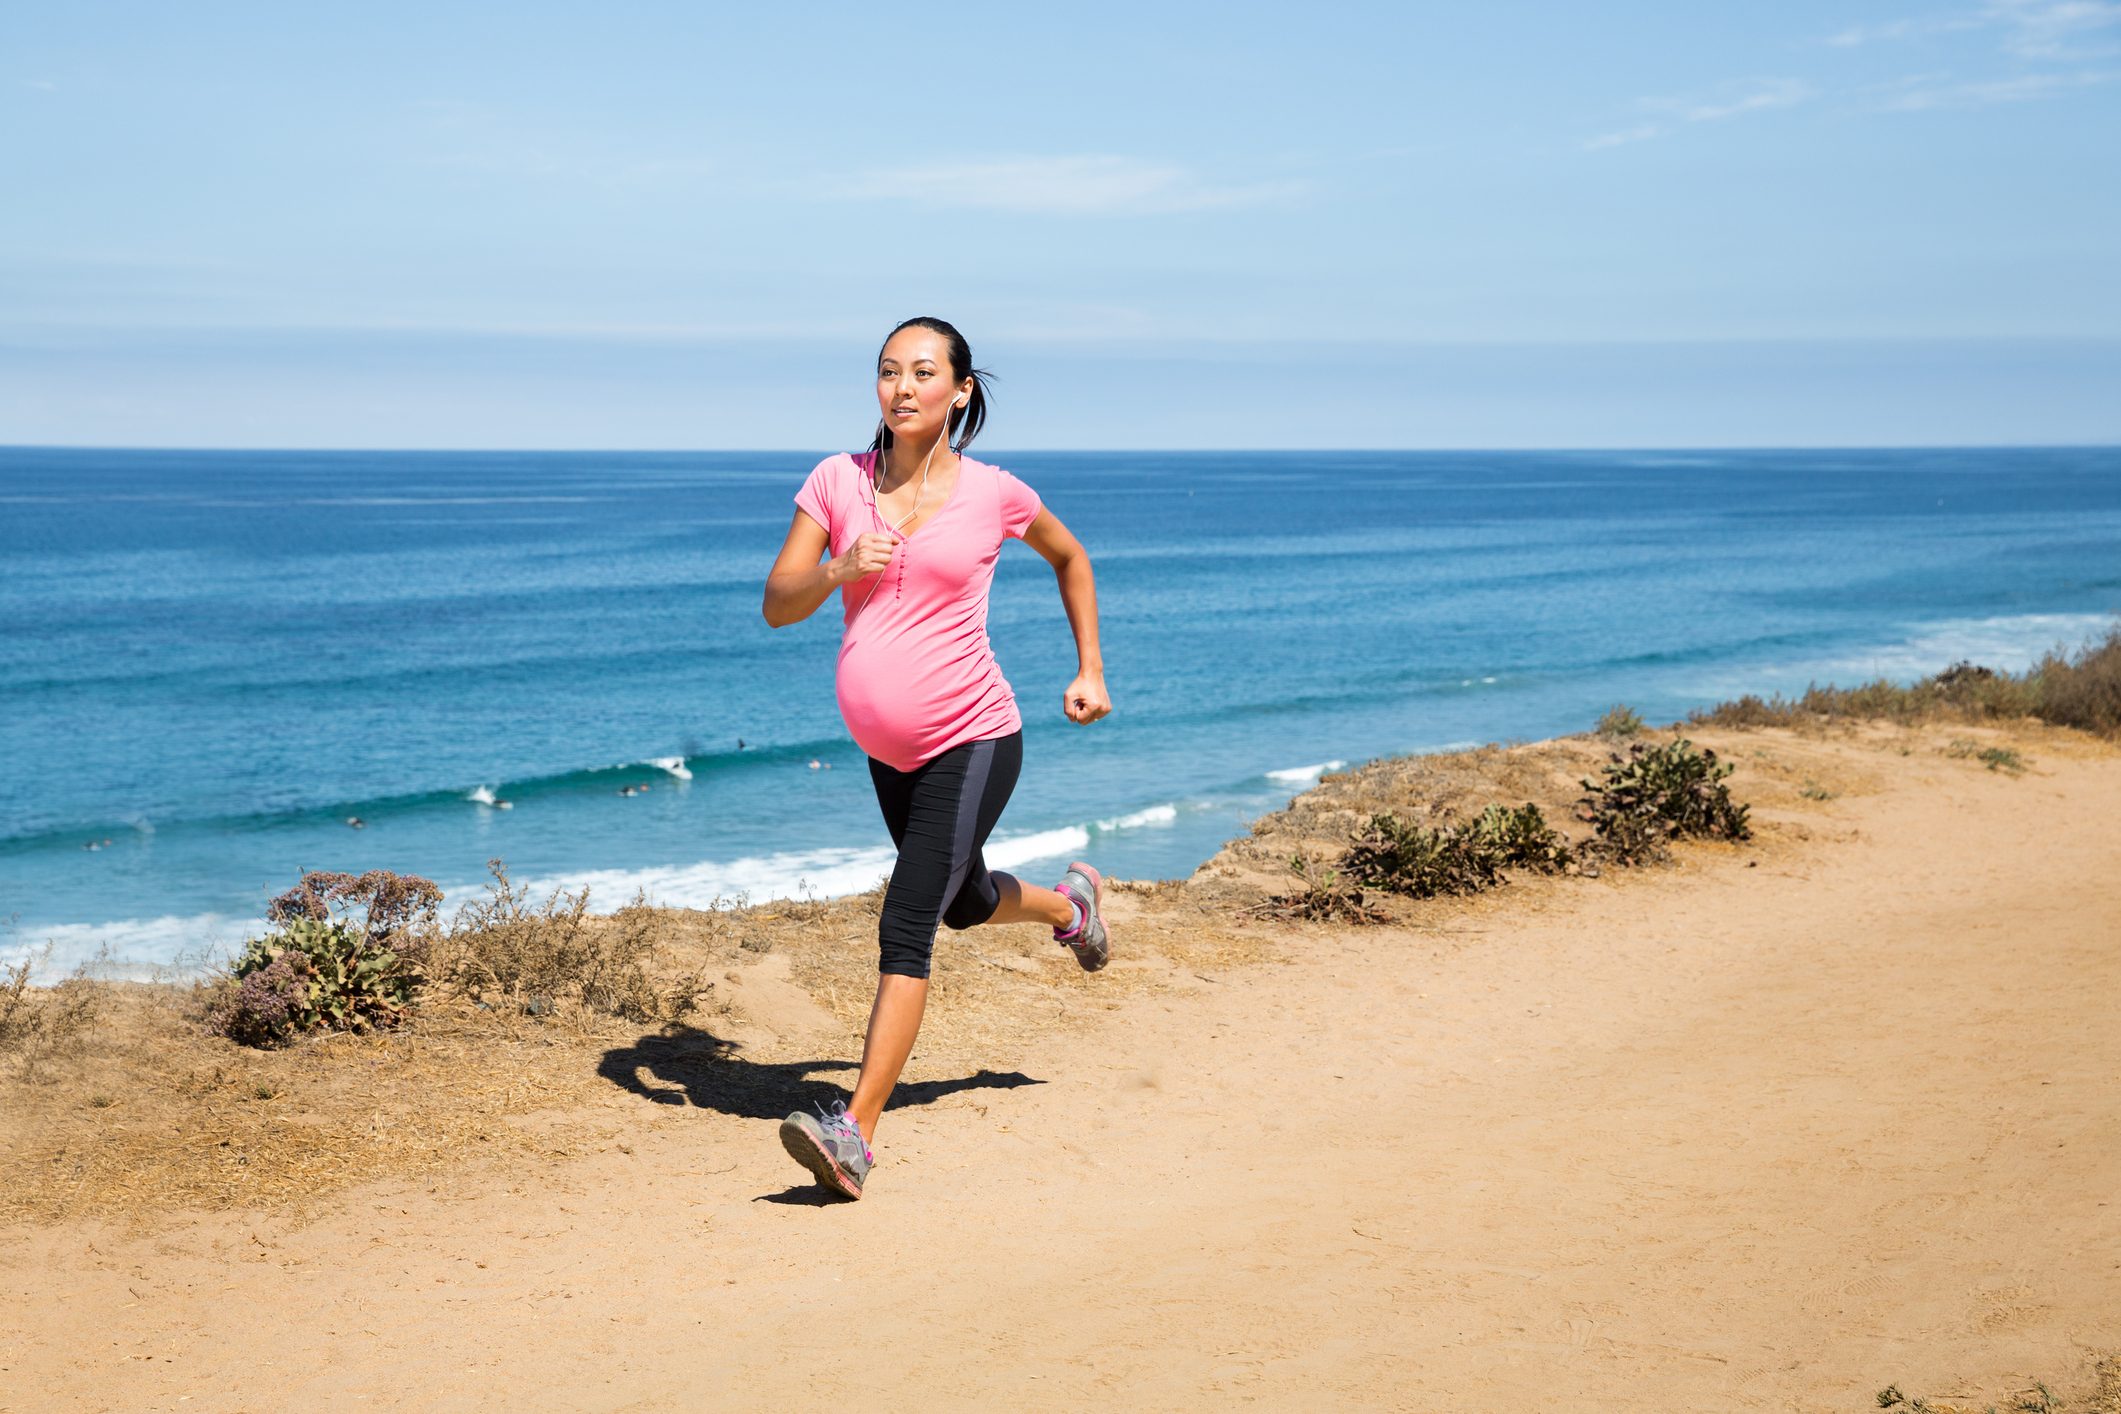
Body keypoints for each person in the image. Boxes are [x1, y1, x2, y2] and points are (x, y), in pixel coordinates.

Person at [761, 315, 1112, 1200]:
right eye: (887, 372)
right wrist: (840, 568)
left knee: (907, 918)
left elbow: (1070, 557)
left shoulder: (993, 492)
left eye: (923, 372)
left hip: (974, 735)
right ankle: (1071, 909)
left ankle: (854, 1134)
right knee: (961, 902)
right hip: (891, 752)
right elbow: (777, 603)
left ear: (959, 392)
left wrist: (1088, 668)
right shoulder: (835, 482)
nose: (902, 387)